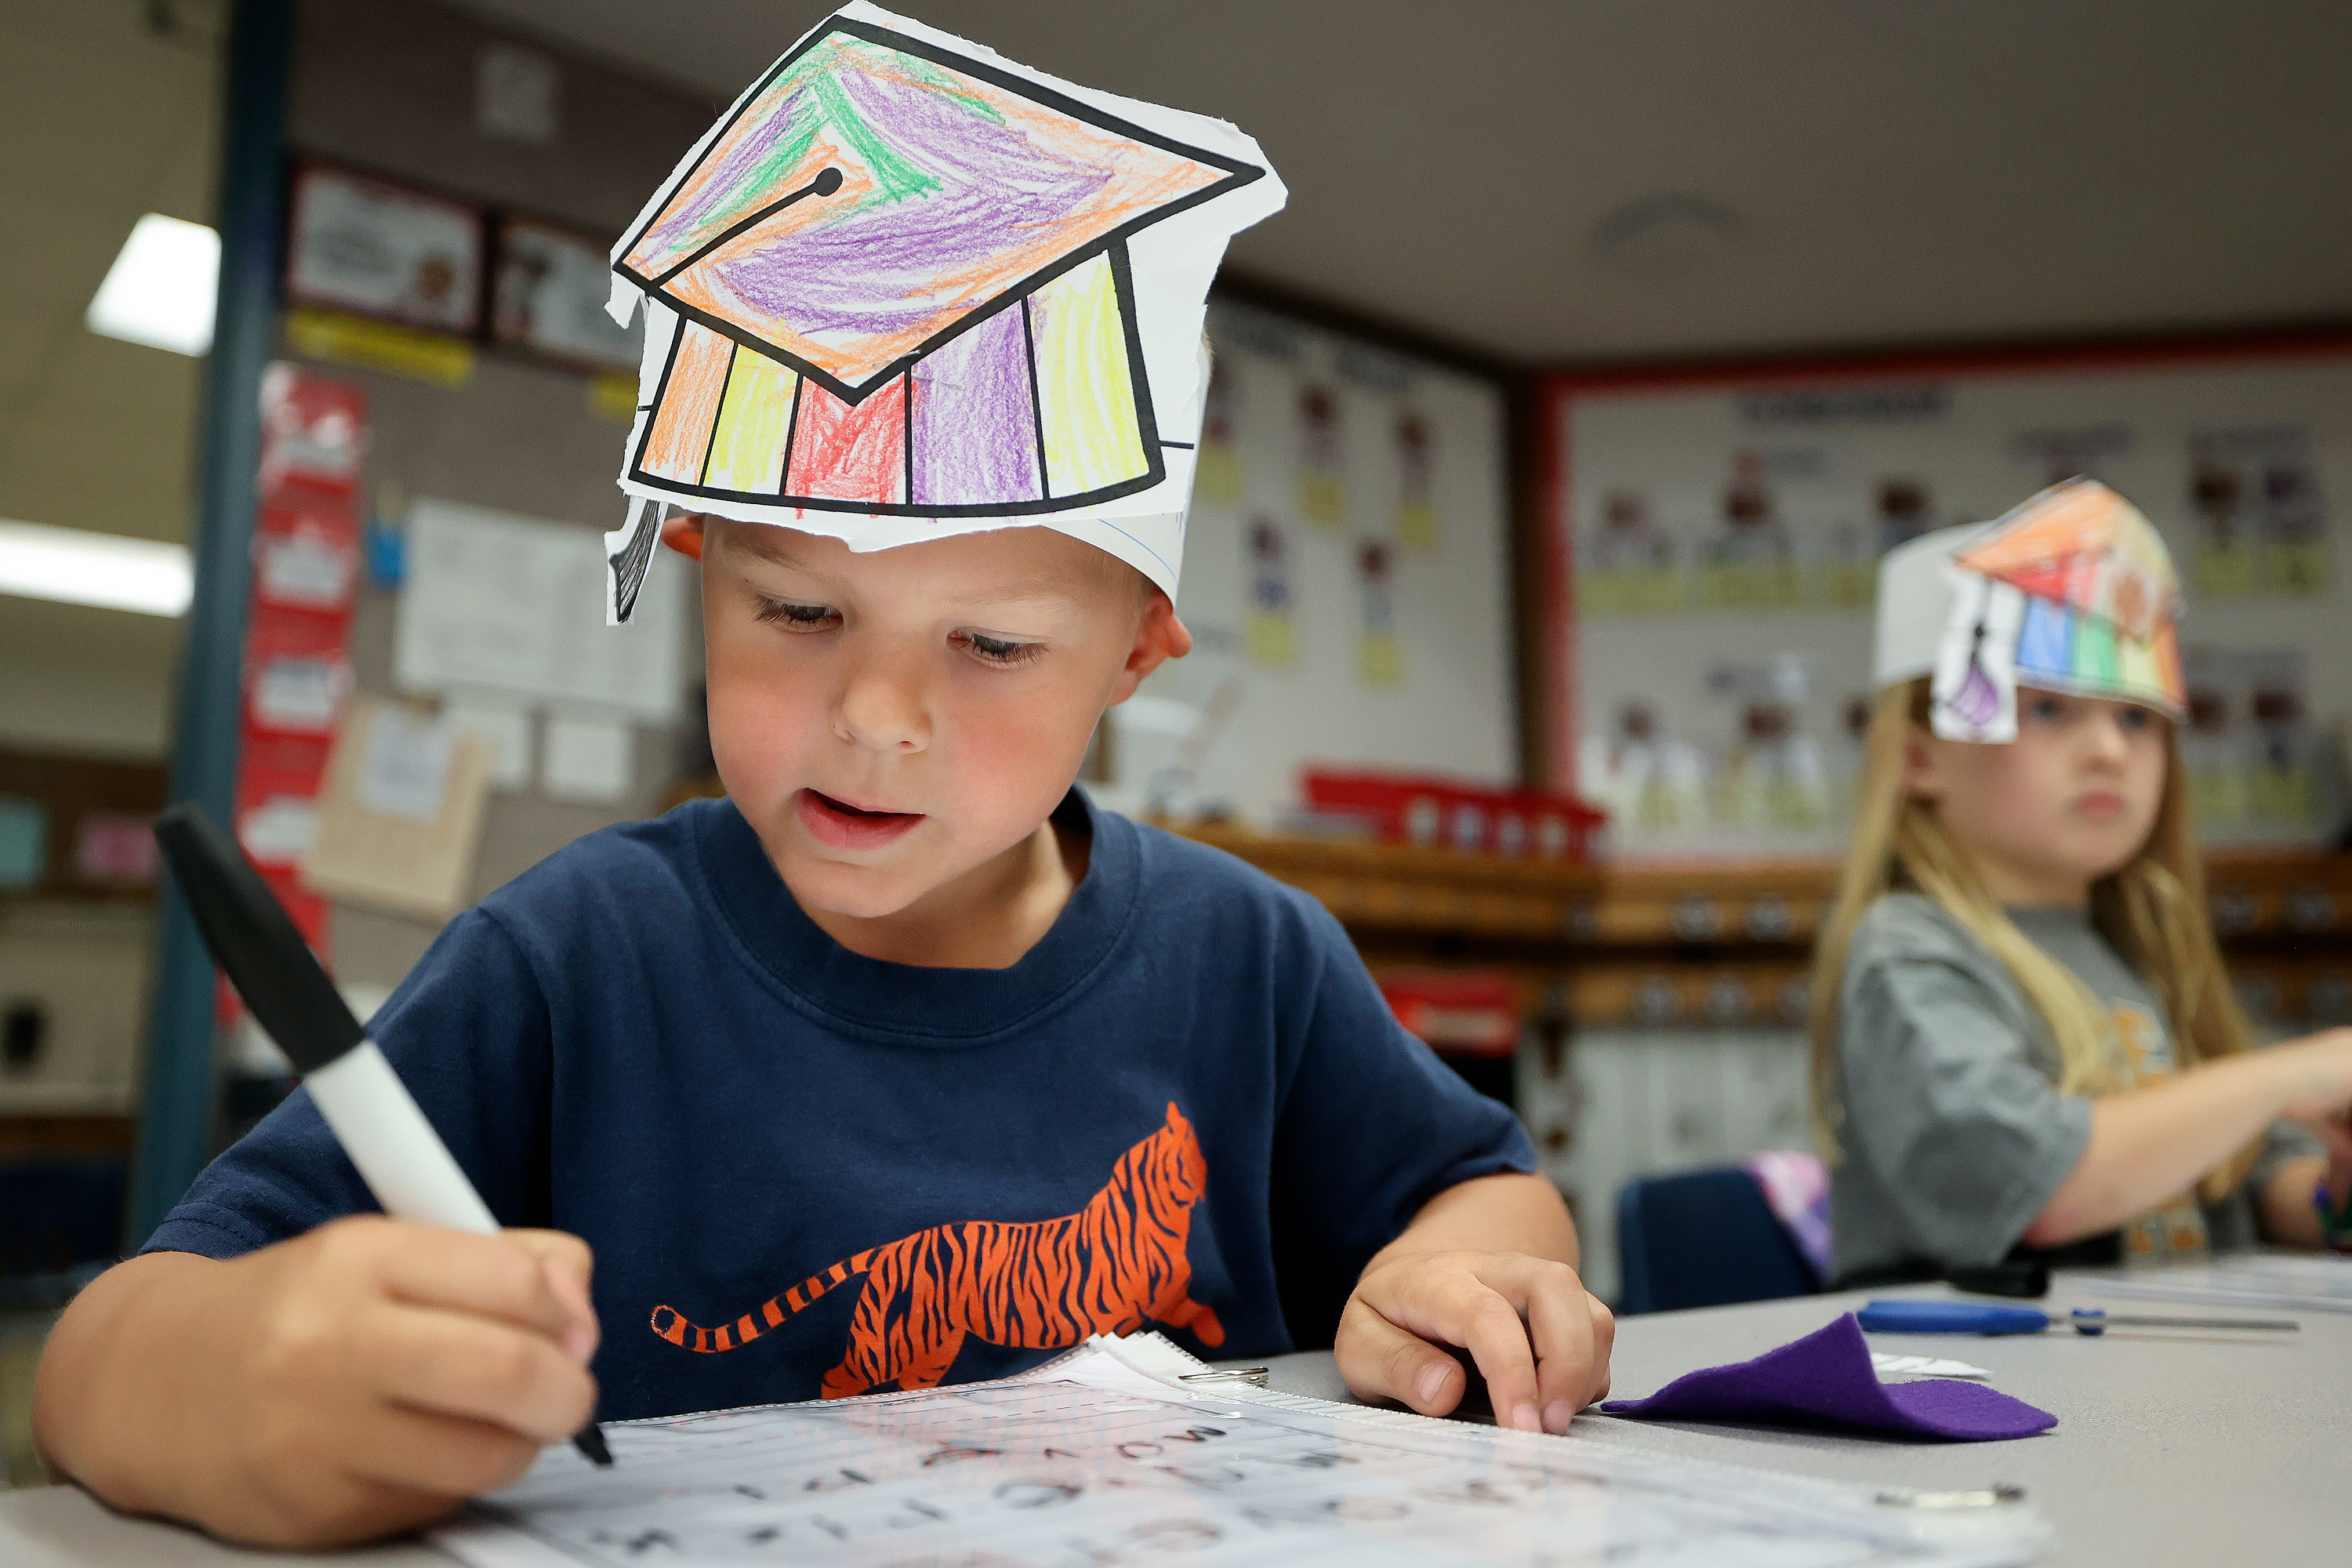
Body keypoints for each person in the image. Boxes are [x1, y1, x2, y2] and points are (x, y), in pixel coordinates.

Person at [31, 12, 1610, 1548]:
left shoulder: (1247, 959)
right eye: (797, 610)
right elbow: (103, 1358)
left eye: (989, 644)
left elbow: (1487, 1193)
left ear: (1134, 657)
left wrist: (1468, 1276)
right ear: (704, 569)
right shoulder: (580, 961)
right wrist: (236, 1385)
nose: (875, 717)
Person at [1812, 479, 2352, 1287]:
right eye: (2049, 710)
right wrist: (2288, 1075)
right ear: (1923, 758)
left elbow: (2260, 1182)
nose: (2108, 749)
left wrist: (2332, 1188)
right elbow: (2039, 1186)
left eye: (2137, 718)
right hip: (1981, 1390)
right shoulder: (1908, 950)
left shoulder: (2139, 944)